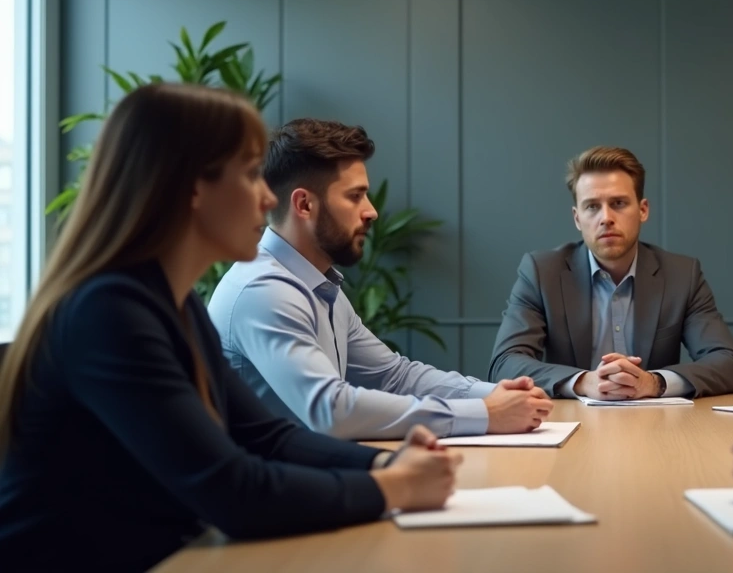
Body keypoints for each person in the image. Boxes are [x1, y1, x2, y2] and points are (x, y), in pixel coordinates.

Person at [0, 84, 461, 571]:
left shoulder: (174, 304)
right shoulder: (109, 313)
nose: (267, 199)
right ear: (192, 187)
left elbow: (267, 438)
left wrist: (385, 463)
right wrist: (392, 486)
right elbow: (232, 492)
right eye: (249, 175)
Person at [209, 119, 552, 440]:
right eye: (354, 196)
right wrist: (483, 414)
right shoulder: (264, 290)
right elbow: (331, 410)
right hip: (268, 495)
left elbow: (393, 376)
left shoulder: (317, 284)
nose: (371, 210)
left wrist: (497, 395)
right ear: (304, 205)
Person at [489, 146, 733, 399]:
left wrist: (653, 383)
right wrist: (583, 382)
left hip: (655, 426)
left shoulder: (682, 275)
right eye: (592, 206)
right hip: (572, 423)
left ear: (643, 210)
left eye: (619, 203)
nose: (606, 218)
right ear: (577, 219)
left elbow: (728, 363)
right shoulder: (542, 272)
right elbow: (505, 363)